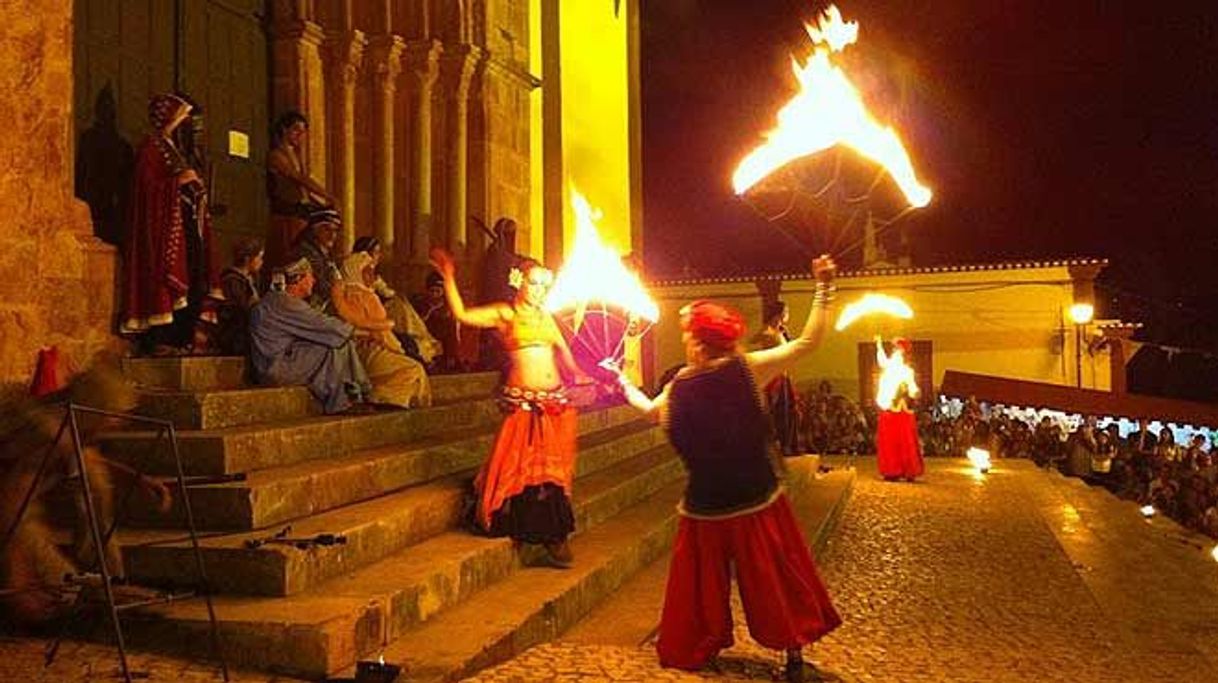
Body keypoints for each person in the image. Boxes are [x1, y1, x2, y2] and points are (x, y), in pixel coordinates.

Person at [606, 255, 841, 683]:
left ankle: (700, 648)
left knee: (701, 589)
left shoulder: (680, 388)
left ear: (701, 342)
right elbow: (808, 343)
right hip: (754, 502)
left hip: (709, 508)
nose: (686, 344)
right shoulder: (748, 369)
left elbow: (646, 411)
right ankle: (793, 659)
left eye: (688, 336)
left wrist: (621, 382)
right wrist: (825, 287)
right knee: (778, 581)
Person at [430, 248, 582, 567]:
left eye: (545, 285)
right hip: (523, 402)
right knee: (524, 468)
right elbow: (463, 316)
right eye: (535, 283)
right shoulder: (506, 314)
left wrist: (584, 377)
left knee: (550, 473)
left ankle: (556, 536)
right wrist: (449, 279)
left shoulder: (548, 318)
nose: (540, 291)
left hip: (554, 402)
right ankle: (540, 533)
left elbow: (566, 356)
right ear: (519, 283)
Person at [1, 365, 171, 624]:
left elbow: (87, 457)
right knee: (65, 585)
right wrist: (20, 580)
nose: (120, 422)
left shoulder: (77, 424)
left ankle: (108, 579)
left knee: (95, 478)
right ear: (97, 406)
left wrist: (137, 479)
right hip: (11, 508)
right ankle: (85, 591)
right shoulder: (50, 434)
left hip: (18, 500)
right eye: (115, 415)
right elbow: (13, 507)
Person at [120, 93, 220, 354]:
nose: (186, 125)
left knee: (194, 277)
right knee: (170, 280)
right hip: (165, 230)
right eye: (183, 118)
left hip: (188, 225)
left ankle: (183, 338)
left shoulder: (174, 150)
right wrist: (179, 182)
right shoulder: (151, 149)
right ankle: (163, 341)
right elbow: (146, 189)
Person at [249, 258, 370, 414]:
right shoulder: (285, 303)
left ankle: (355, 394)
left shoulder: (277, 300)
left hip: (274, 363)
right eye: (310, 276)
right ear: (298, 280)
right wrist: (360, 331)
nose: (313, 280)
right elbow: (325, 326)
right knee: (337, 344)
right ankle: (345, 401)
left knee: (339, 341)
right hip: (276, 368)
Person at [332, 252, 431, 409]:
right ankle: (383, 397)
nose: (372, 276)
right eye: (367, 271)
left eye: (372, 271)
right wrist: (394, 343)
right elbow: (369, 328)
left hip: (372, 346)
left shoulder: (359, 294)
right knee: (412, 369)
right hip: (367, 348)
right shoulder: (357, 295)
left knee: (415, 368)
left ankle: (392, 399)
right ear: (355, 271)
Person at [351, 236, 441, 366]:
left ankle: (418, 342)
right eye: (376, 252)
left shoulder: (371, 274)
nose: (378, 256)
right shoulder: (356, 272)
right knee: (398, 305)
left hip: (378, 312)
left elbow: (385, 291)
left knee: (400, 304)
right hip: (366, 316)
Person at [266, 111, 334, 269]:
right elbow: (298, 179)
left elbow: (304, 190)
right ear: (284, 130)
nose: (300, 135)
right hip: (287, 215)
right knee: (288, 259)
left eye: (303, 132)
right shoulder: (277, 155)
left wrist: (323, 205)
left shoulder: (296, 156)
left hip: (302, 214)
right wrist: (328, 196)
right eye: (296, 130)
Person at [752, 299, 802, 456]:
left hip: (784, 374)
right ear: (778, 314)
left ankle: (791, 445)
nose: (787, 315)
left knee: (791, 410)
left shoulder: (782, 331)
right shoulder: (767, 333)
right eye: (786, 312)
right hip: (774, 377)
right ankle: (779, 446)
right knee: (778, 411)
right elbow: (755, 342)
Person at [874, 336, 924, 482]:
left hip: (903, 410)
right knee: (890, 441)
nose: (897, 351)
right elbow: (882, 361)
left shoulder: (908, 371)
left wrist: (914, 392)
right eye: (895, 348)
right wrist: (878, 345)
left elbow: (913, 389)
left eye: (899, 349)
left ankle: (909, 470)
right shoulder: (889, 366)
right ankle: (892, 470)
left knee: (906, 441)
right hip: (890, 408)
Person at [214, 237, 264, 356]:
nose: (261, 261)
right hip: (235, 335)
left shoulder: (251, 279)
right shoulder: (232, 281)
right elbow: (239, 310)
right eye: (259, 257)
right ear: (248, 259)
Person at [291, 207, 344, 311]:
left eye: (335, 230)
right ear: (314, 229)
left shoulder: (325, 252)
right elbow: (320, 286)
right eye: (327, 229)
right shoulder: (305, 252)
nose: (332, 235)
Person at [411, 271, 462, 372]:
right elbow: (415, 323)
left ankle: (450, 361)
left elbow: (454, 331)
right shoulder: (420, 303)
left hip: (442, 338)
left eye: (437, 291)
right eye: (432, 291)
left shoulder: (447, 306)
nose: (434, 294)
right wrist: (429, 310)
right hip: (424, 336)